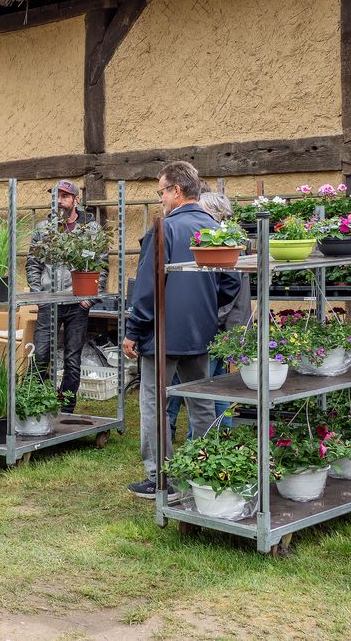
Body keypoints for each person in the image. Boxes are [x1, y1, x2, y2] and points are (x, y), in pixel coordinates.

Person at [122, 162, 240, 499]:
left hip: (160, 335)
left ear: (176, 190)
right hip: (200, 333)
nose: (160, 199)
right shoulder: (214, 227)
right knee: (201, 404)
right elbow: (230, 282)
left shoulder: (163, 230)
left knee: (154, 404)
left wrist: (133, 330)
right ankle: (203, 472)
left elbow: (146, 289)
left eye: (161, 192)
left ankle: (161, 479)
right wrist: (205, 309)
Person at [166, 191, 250, 438]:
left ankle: (198, 444)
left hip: (217, 327)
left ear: (214, 212)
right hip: (227, 327)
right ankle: (218, 440)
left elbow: (226, 292)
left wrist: (205, 318)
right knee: (216, 386)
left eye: (202, 209)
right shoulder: (223, 239)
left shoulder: (223, 241)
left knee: (200, 389)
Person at [26, 179, 109, 413]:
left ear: (76, 200)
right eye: (55, 196)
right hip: (49, 302)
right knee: (40, 355)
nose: (59, 201)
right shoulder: (43, 229)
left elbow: (101, 266)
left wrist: (88, 300)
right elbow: (33, 264)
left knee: (73, 360)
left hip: (77, 305)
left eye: (64, 196)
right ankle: (33, 405)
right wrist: (38, 293)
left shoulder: (91, 230)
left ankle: (65, 410)